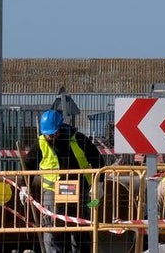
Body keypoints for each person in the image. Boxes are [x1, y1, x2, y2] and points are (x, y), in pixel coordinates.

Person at [21, 108, 102, 253]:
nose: (49, 137)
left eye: (52, 134)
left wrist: (99, 183)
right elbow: (28, 164)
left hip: (80, 190)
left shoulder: (78, 139)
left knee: (80, 227)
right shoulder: (41, 143)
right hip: (52, 191)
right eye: (46, 135)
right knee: (52, 229)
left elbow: (98, 160)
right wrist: (25, 186)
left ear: (60, 129)